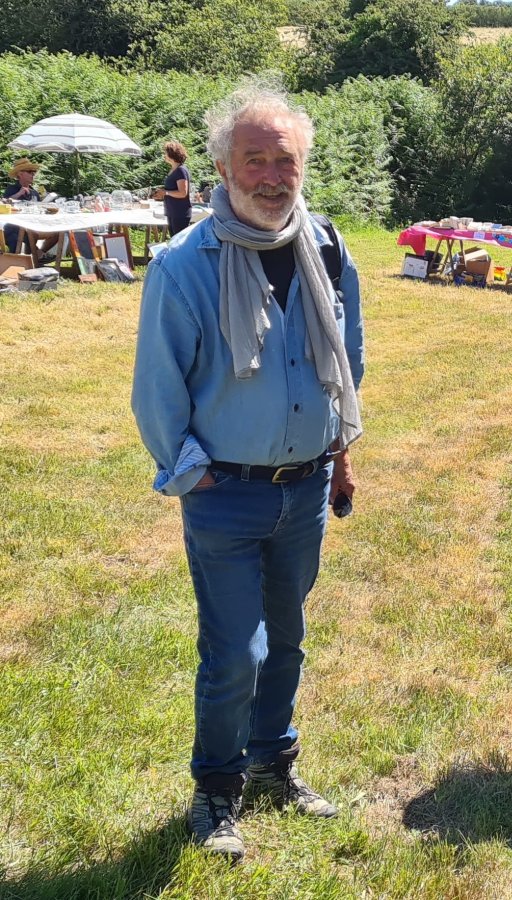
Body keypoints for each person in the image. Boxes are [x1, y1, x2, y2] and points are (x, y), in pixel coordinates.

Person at [130, 81, 364, 862]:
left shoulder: (325, 247)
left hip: (306, 488)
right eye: (253, 160)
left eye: (284, 160)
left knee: (287, 640)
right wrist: (195, 477)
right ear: (223, 169)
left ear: (303, 166)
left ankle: (273, 763)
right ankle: (216, 789)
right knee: (237, 652)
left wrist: (340, 452)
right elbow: (157, 391)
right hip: (224, 494)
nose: (271, 176)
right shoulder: (184, 264)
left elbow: (347, 362)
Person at [4, 158, 56, 258]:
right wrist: (19, 194)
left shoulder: (34, 192)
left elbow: (40, 210)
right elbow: (5, 203)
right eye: (29, 172)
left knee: (59, 232)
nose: (33, 174)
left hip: (34, 225)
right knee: (26, 234)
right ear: (20, 174)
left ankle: (38, 255)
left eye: (34, 172)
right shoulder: (12, 189)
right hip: (15, 226)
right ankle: (30, 258)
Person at [159, 140, 194, 235]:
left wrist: (165, 192)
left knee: (178, 241)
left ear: (171, 154)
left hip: (180, 213)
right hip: (172, 212)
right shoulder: (174, 170)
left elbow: (183, 193)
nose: (164, 155)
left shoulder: (181, 171)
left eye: (166, 153)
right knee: (174, 239)